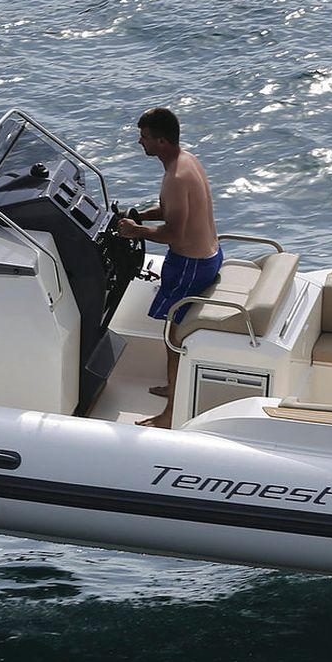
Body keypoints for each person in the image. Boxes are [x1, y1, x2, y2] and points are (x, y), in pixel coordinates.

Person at [115, 107, 220, 428]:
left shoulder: (175, 177)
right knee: (169, 334)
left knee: (174, 337)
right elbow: (172, 210)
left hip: (191, 264)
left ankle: (171, 413)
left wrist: (135, 231)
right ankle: (174, 386)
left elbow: (175, 232)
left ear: (161, 141)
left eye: (144, 137)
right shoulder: (186, 161)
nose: (139, 141)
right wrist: (143, 217)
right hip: (208, 256)